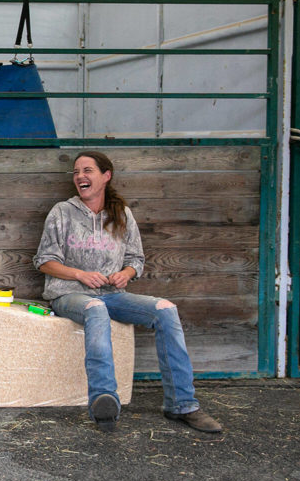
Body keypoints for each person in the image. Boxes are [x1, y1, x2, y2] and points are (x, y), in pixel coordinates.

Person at [33, 151, 222, 434]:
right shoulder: (62, 212)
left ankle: (182, 405)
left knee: (165, 310)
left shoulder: (122, 214)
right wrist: (80, 274)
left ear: (106, 176)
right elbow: (44, 261)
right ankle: (104, 400)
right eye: (76, 172)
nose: (80, 177)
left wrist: (126, 274)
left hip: (113, 294)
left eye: (87, 170)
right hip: (70, 294)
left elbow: (136, 259)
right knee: (95, 309)